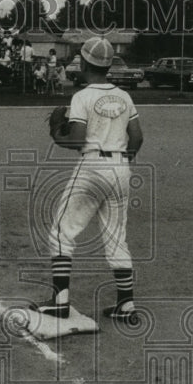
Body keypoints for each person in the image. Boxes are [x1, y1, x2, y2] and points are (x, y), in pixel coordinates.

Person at [32, 37, 145, 323]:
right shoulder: (124, 96)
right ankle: (126, 304)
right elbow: (138, 137)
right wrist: (120, 161)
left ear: (84, 62)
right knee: (116, 237)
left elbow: (77, 140)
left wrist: (57, 134)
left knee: (61, 232)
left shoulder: (82, 96)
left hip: (93, 166)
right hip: (121, 167)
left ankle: (60, 302)